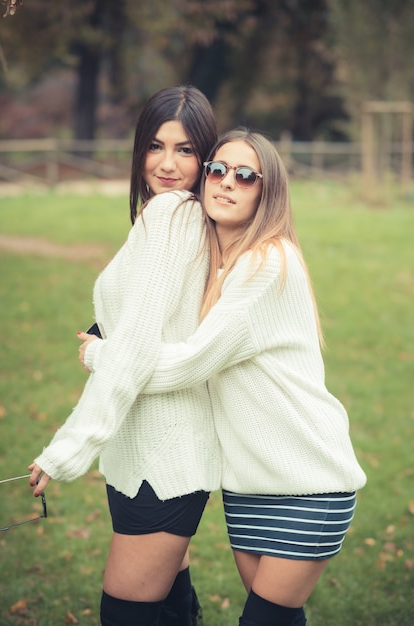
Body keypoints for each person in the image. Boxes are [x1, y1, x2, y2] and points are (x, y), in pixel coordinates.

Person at [139, 128, 367, 626]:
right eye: (217, 170)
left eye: (245, 175)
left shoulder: (267, 261)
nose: (225, 182)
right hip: (248, 486)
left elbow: (189, 362)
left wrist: (104, 358)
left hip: (309, 481)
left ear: (268, 192)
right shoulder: (215, 262)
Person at [28, 85, 221, 626]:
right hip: (160, 455)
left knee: (127, 615)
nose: (166, 163)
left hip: (160, 464)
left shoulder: (172, 216)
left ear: (205, 157)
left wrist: (67, 450)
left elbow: (135, 351)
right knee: (169, 604)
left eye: (184, 150)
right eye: (156, 146)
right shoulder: (179, 216)